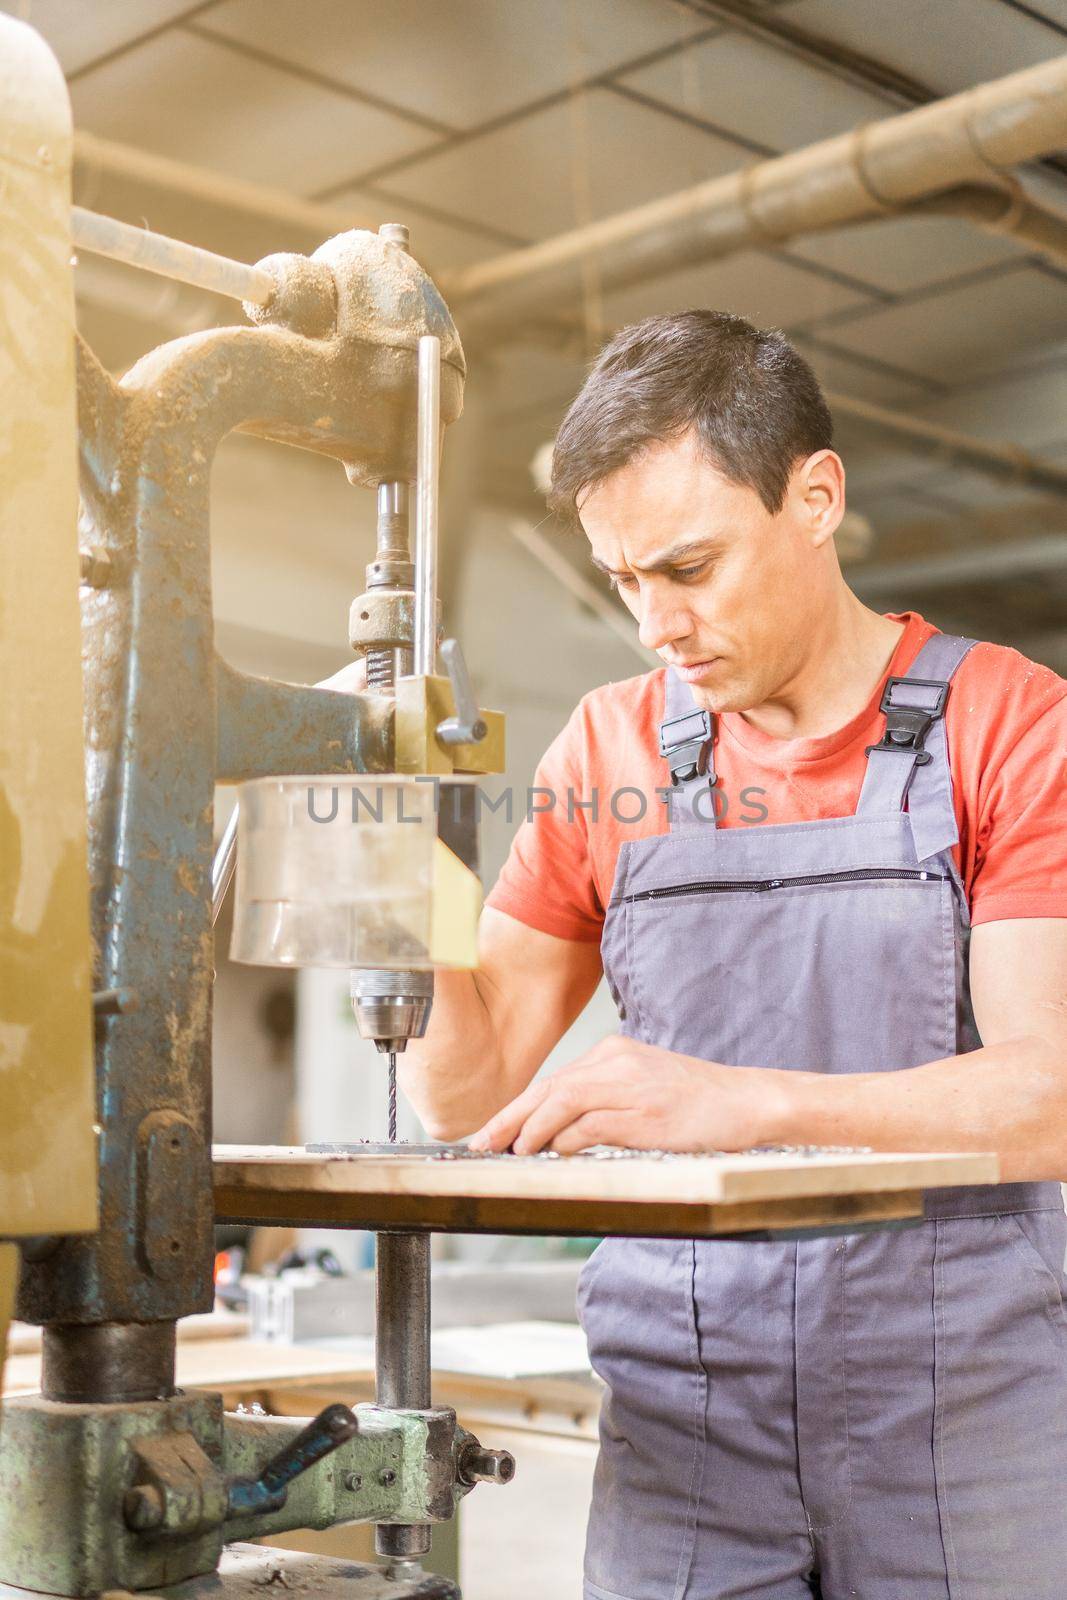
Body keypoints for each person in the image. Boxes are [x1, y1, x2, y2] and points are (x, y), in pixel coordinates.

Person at [403, 311, 1067, 1599]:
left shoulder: (1012, 724)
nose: (655, 623)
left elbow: (1051, 1097)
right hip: (683, 1423)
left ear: (815, 497)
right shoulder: (608, 750)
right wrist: (395, 887)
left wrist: (743, 1107)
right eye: (623, 580)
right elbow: (472, 1095)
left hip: (965, 1414)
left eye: (689, 568)